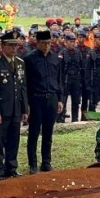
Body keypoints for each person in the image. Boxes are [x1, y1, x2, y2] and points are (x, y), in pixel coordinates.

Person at [0, 31, 29, 180]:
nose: (14, 49)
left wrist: (25, 109)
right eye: (10, 46)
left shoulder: (20, 62)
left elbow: (23, 87)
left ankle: (11, 167)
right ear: (3, 46)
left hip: (16, 109)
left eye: (15, 45)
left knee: (14, 139)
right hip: (2, 110)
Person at [24, 30, 64, 174]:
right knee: (34, 132)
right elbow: (26, 83)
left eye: (49, 43)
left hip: (52, 97)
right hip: (36, 98)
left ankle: (46, 162)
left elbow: (59, 80)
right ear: (37, 43)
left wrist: (60, 99)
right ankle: (32, 163)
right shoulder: (29, 59)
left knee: (48, 132)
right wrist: (26, 103)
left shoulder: (56, 58)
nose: (46, 46)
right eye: (43, 43)